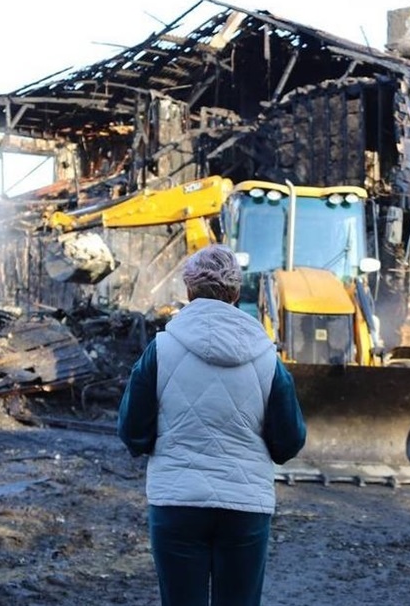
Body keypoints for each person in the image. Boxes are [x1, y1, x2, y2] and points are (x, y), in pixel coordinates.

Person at [117, 244, 307, 606]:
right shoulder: (268, 358)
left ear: (189, 292)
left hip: (176, 505)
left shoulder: (160, 351)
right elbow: (289, 442)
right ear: (236, 292)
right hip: (245, 508)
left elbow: (132, 432)